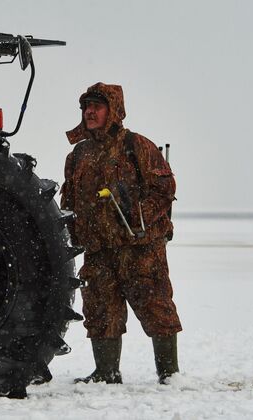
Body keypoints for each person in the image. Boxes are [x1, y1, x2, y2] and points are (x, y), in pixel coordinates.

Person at [61, 82, 182, 385]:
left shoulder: (136, 145)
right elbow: (69, 201)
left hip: (140, 249)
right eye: (86, 106)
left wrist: (139, 215)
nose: (89, 112)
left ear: (113, 111)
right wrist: (73, 233)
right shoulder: (78, 155)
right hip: (98, 250)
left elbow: (165, 188)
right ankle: (106, 373)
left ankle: (169, 375)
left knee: (156, 307)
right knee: (100, 311)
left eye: (97, 106)